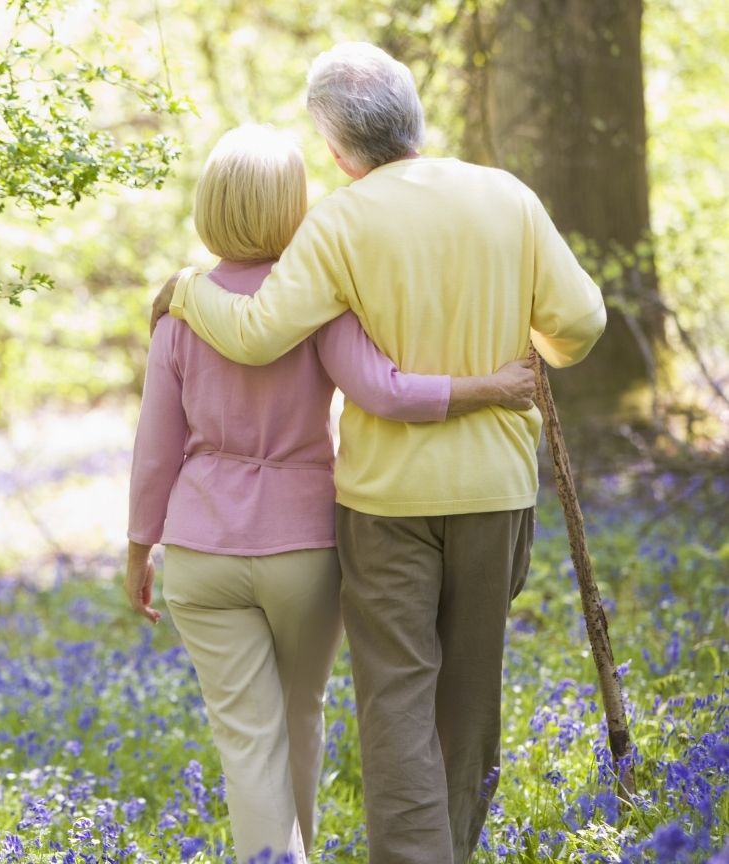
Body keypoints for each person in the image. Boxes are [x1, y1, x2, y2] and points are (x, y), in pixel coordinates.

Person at [147, 44, 606, 864]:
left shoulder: (339, 223)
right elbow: (580, 327)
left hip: (386, 501)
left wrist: (184, 291)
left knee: (395, 699)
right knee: (470, 704)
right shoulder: (507, 197)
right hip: (496, 490)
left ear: (333, 147)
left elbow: (256, 335)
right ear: (414, 118)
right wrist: (515, 343)